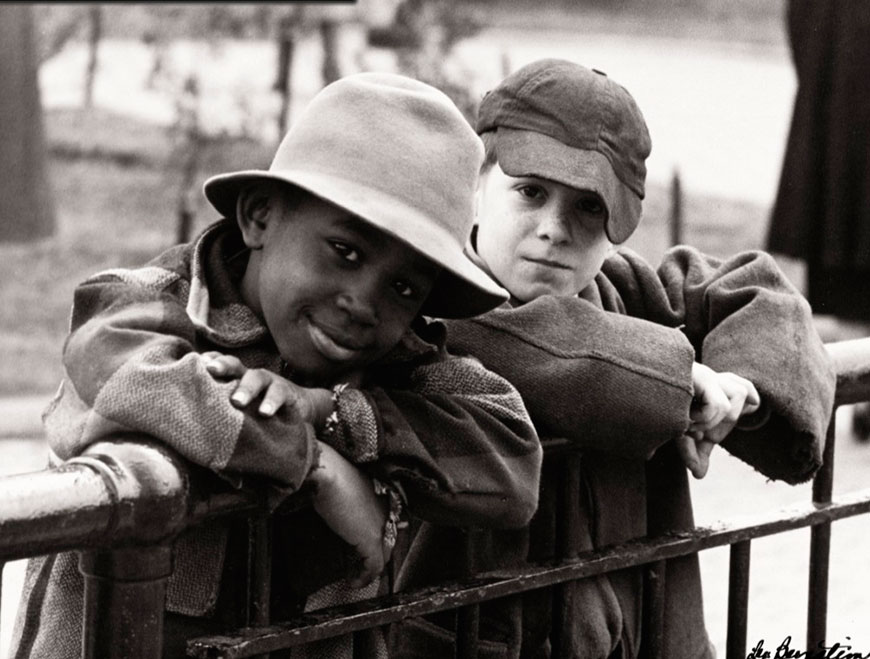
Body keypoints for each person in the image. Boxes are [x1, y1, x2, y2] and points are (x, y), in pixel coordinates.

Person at [9, 72, 542, 659]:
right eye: (345, 251)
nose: (364, 303)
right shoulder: (142, 302)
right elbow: (127, 385)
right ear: (260, 216)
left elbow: (512, 461)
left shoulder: (395, 357)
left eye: (403, 287)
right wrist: (313, 464)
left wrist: (335, 413)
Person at [391, 59, 836, 659]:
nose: (554, 228)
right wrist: (679, 382)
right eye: (530, 191)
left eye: (589, 208)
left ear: (620, 225)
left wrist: (741, 385)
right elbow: (544, 345)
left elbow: (764, 295)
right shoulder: (425, 307)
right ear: (477, 182)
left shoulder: (626, 292)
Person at [766, 0, 870, 440]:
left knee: (842, 247)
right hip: (838, 108)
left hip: (833, 115)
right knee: (846, 256)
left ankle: (861, 394)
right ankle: (861, 394)